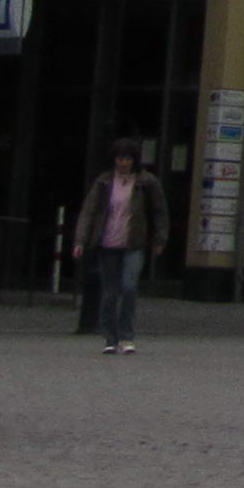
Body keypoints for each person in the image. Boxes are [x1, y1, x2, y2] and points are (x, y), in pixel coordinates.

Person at [72, 137, 169, 358]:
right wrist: (80, 240)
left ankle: (127, 336)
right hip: (108, 242)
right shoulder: (104, 182)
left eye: (127, 158)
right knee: (109, 292)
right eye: (119, 158)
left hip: (134, 243)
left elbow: (160, 212)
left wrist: (160, 239)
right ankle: (110, 337)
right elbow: (89, 211)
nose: (123, 163)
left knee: (129, 287)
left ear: (134, 160)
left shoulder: (146, 182)